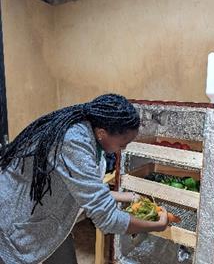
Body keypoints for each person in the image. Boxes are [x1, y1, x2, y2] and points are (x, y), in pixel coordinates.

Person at [0, 94, 168, 264]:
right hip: (13, 222)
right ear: (102, 132)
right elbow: (107, 219)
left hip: (46, 219)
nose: (122, 150)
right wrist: (157, 225)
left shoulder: (91, 135)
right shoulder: (73, 142)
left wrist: (128, 197)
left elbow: (84, 189)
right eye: (122, 144)